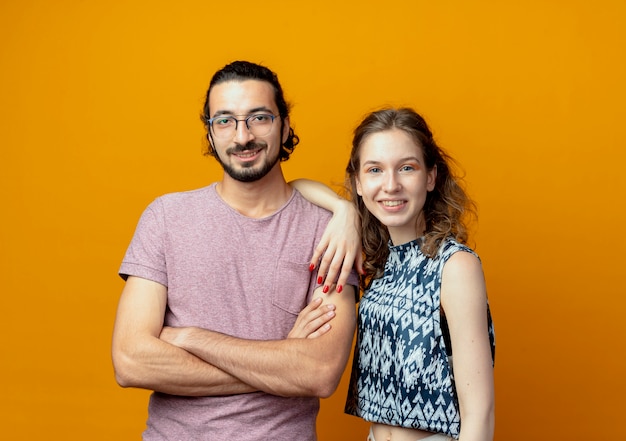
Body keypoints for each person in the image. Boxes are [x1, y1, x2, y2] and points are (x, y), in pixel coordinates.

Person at [111, 60, 361, 441]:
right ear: (210, 135)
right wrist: (279, 363)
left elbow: (319, 372)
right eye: (224, 121)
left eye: (259, 118)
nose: (242, 136)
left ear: (286, 126)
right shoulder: (165, 217)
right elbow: (131, 361)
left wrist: (191, 338)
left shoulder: (327, 233)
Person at [292, 107, 496, 441]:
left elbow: (480, 414)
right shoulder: (382, 263)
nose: (391, 185)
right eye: (375, 170)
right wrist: (344, 210)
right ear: (358, 182)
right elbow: (294, 186)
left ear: (430, 177)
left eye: (407, 168)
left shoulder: (455, 266)